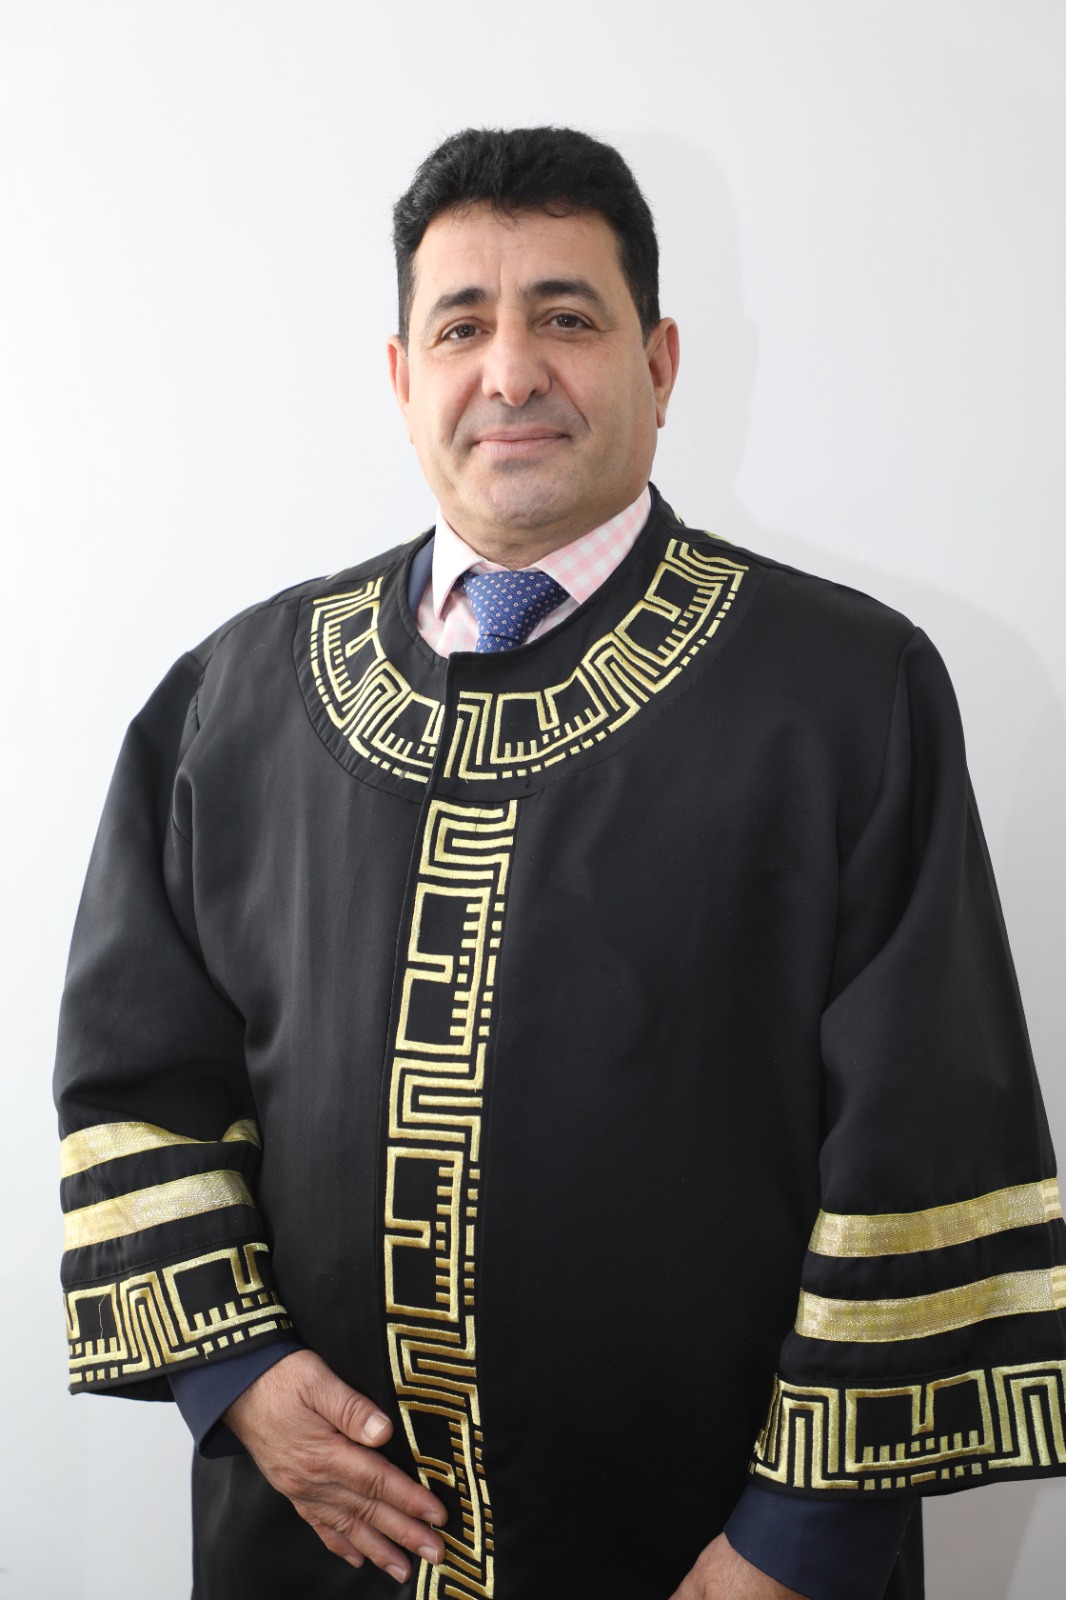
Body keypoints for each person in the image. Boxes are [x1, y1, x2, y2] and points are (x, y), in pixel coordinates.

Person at [54, 126, 1066, 1600]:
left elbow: (928, 1133)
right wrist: (236, 1374)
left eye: (567, 318)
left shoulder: (848, 692)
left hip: (708, 1557)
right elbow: (133, 1080)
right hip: (316, 1543)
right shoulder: (229, 701)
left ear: (660, 364)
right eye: (461, 325)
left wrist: (799, 1541)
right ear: (402, 379)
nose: (512, 370)